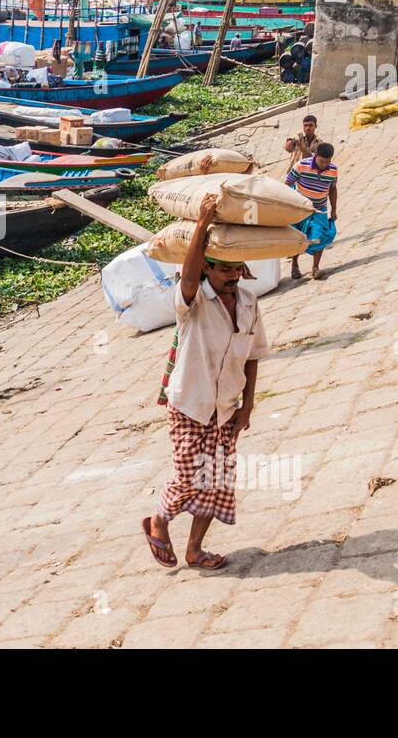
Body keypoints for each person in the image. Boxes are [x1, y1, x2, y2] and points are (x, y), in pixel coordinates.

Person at [142, 193, 269, 572]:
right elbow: (189, 274)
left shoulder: (248, 302)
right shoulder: (191, 302)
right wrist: (201, 224)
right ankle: (158, 521)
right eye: (222, 269)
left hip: (226, 408)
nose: (231, 276)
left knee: (215, 484)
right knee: (188, 476)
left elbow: (253, 355)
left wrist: (247, 405)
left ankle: (195, 549)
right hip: (189, 405)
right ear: (207, 271)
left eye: (235, 269)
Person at [287, 142, 339, 281]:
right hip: (300, 208)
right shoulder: (301, 165)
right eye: (322, 161)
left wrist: (333, 209)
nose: (324, 165)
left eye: (327, 162)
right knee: (297, 237)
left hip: (319, 208)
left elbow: (332, 189)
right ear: (315, 156)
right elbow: (287, 185)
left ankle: (315, 268)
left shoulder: (333, 170)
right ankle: (295, 264)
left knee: (319, 236)